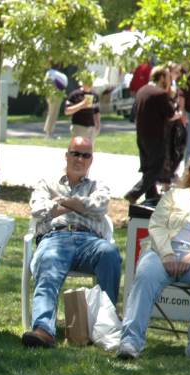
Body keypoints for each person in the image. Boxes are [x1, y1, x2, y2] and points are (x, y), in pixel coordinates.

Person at [119, 148, 190, 359]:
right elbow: (157, 226)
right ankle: (130, 342)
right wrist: (168, 255)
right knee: (145, 274)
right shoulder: (174, 195)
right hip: (161, 254)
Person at [22, 136, 122, 348]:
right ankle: (43, 330)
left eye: (85, 155)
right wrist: (78, 205)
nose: (79, 159)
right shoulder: (47, 182)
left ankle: (105, 327)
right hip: (54, 237)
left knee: (110, 253)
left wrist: (60, 202)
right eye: (75, 153)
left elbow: (100, 206)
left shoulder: (98, 185)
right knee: (48, 261)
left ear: (91, 160)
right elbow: (38, 209)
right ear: (66, 155)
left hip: (90, 241)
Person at [126, 66, 182, 205]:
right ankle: (134, 193)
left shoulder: (142, 90)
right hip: (156, 136)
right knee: (156, 168)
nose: (169, 80)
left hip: (142, 135)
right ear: (162, 77)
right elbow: (170, 114)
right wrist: (179, 114)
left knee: (147, 167)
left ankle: (151, 195)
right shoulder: (160, 94)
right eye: (168, 77)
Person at [64, 71, 100, 142]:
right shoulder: (75, 95)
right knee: (79, 150)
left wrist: (98, 125)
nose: (90, 85)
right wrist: (82, 104)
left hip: (91, 127)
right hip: (78, 126)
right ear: (83, 83)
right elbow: (67, 111)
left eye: (91, 83)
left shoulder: (95, 95)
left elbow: (96, 112)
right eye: (87, 83)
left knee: (89, 150)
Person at [44, 67, 68, 139]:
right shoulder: (52, 73)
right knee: (53, 113)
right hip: (55, 94)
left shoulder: (50, 73)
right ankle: (49, 133)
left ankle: (49, 132)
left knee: (52, 113)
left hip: (52, 94)